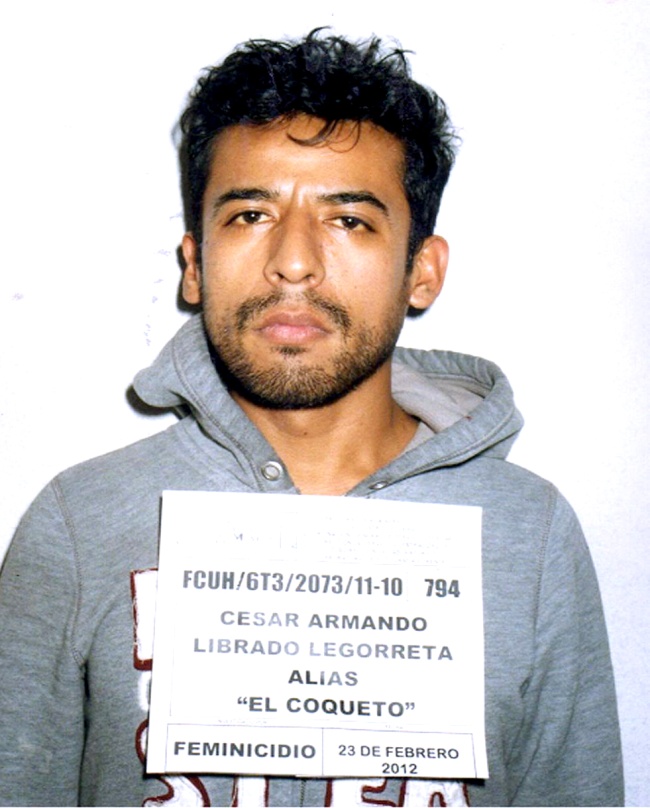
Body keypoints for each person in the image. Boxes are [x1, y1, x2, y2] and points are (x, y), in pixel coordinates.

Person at [0, 30, 623, 807]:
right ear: (194, 267)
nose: (293, 260)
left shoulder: (531, 536)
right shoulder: (79, 524)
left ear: (422, 271)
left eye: (349, 220)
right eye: (250, 214)